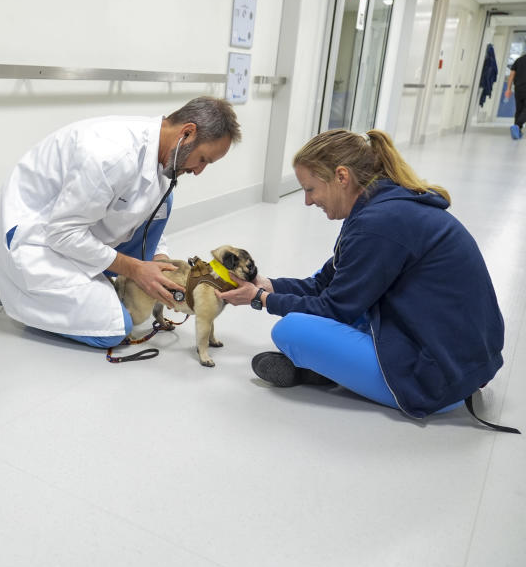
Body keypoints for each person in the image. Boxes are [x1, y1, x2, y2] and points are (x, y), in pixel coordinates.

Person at [217, 129, 507, 424]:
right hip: (457, 358)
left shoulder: (377, 224)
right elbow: (325, 283)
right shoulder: (382, 205)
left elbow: (335, 308)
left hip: (436, 378)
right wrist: (270, 286)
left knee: (290, 331)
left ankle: (320, 370)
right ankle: (323, 369)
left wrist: (262, 300)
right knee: (332, 305)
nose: (307, 201)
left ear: (341, 177)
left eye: (310, 189)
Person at [0, 97, 241, 348]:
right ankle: (0, 284)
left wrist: (162, 264)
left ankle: (101, 287)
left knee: (163, 203)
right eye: (202, 159)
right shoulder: (112, 155)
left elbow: (147, 210)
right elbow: (62, 234)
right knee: (116, 329)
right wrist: (135, 269)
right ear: (187, 132)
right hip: (31, 238)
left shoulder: (159, 151)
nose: (198, 171)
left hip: (69, 228)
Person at [505, 51, 526, 140]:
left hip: (518, 89)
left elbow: (511, 75)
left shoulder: (519, 60)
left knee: (519, 110)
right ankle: (517, 126)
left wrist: (508, 89)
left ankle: (517, 131)